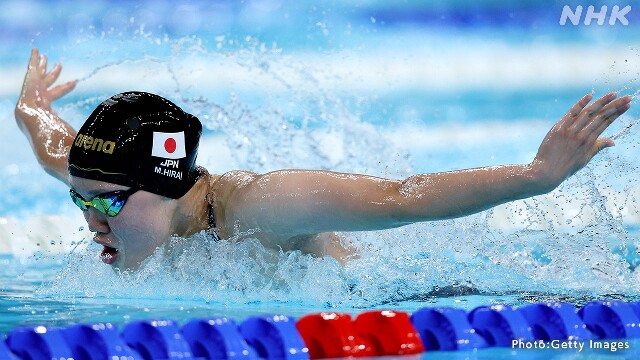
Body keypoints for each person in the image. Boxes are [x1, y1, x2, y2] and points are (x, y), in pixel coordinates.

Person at [15, 48, 632, 271]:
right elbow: (53, 145)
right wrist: (30, 109)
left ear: (168, 184)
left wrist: (536, 177)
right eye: (80, 197)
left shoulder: (257, 208)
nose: (89, 217)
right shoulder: (113, 181)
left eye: (106, 202)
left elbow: (402, 198)